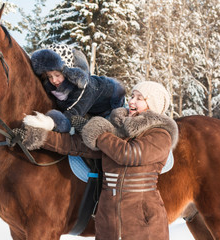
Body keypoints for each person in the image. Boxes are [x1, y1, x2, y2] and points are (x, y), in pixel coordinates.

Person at [14, 81, 179, 240]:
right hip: (108, 220)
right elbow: (76, 146)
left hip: (143, 222)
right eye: (132, 96)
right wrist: (39, 137)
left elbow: (128, 154)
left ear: (153, 106)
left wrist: (98, 133)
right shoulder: (116, 131)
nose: (131, 101)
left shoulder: (160, 135)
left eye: (139, 98)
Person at [30, 44, 125, 133]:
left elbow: (73, 114)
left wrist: (50, 123)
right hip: (90, 108)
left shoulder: (84, 88)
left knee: (94, 133)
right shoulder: (55, 86)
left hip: (111, 104)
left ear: (67, 72)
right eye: (49, 76)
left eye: (57, 75)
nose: (54, 80)